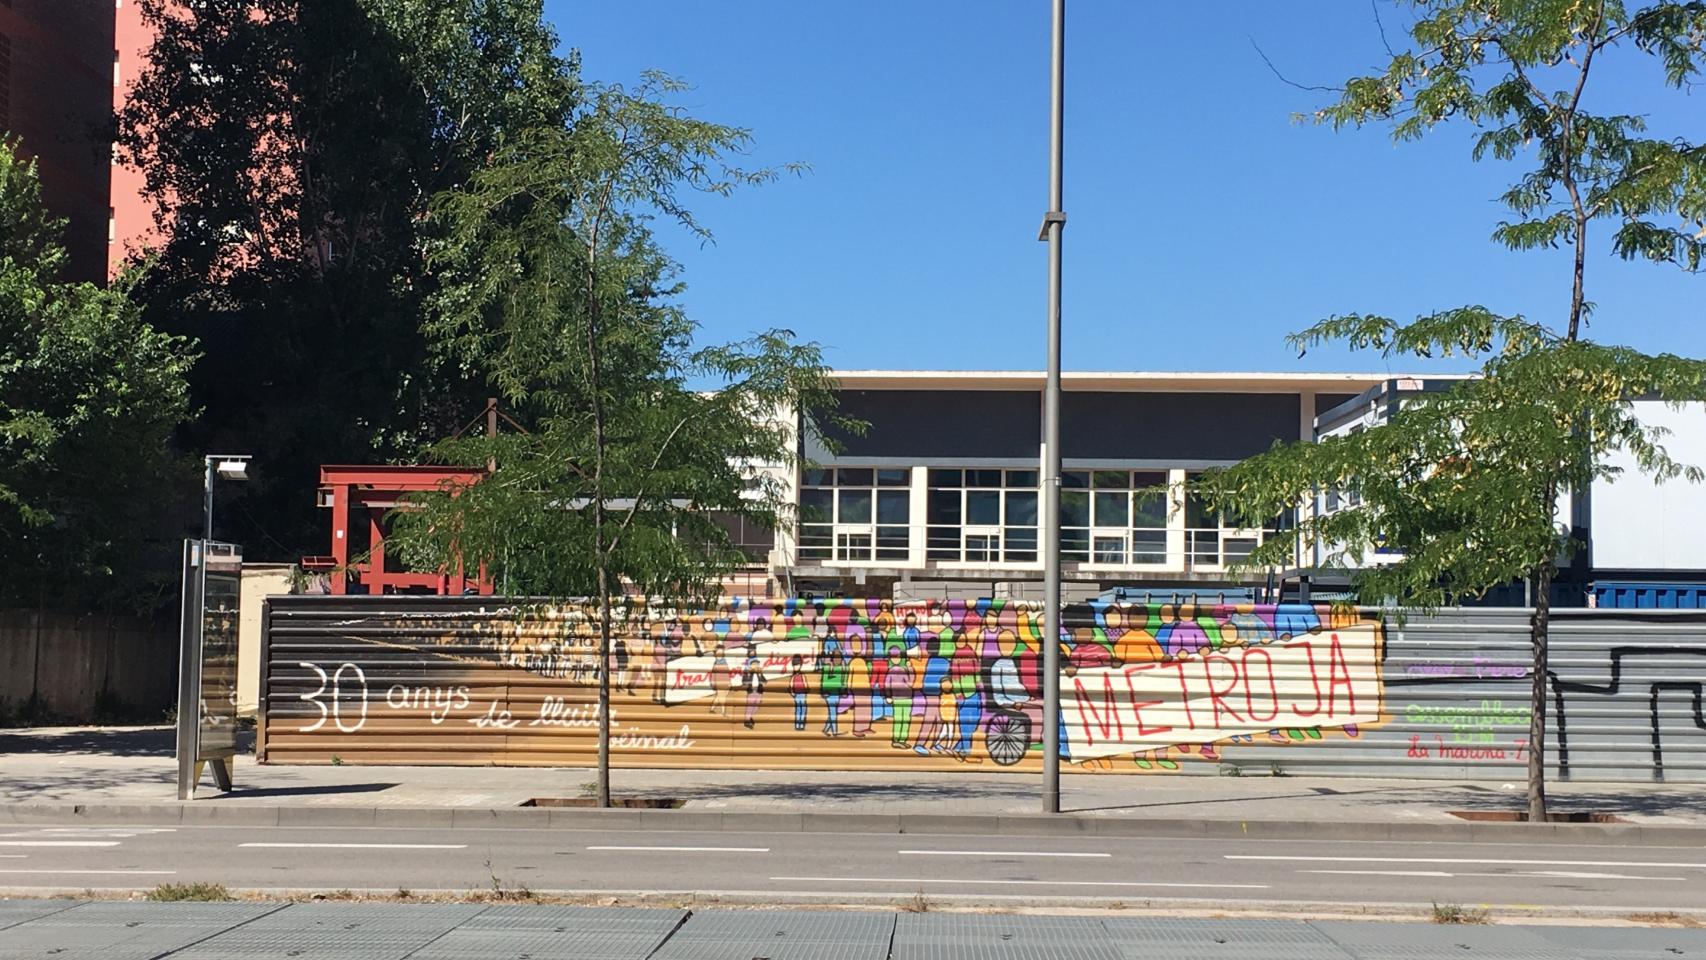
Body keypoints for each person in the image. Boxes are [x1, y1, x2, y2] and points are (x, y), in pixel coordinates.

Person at [885, 650, 913, 748]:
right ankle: (899, 740)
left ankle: (900, 740)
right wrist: (888, 696)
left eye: (897, 657)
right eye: (893, 657)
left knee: (903, 720)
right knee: (901, 720)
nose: (896, 659)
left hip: (903, 698)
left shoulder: (899, 670)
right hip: (902, 698)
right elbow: (910, 683)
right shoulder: (901, 670)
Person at [742, 652, 766, 729]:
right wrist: (749, 675)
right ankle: (747, 721)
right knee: (750, 707)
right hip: (752, 692)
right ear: (750, 665)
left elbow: (764, 682)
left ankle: (750, 717)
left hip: (759, 691)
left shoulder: (760, 673)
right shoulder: (747, 674)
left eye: (757, 664)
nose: (756, 665)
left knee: (756, 706)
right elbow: (744, 682)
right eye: (754, 664)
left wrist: (760, 675)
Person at [709, 644, 730, 716]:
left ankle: (712, 709)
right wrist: (713, 682)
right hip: (719, 683)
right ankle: (723, 712)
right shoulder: (716, 664)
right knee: (722, 697)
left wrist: (729, 681)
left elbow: (727, 672)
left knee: (719, 697)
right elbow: (713, 674)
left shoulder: (724, 662)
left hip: (725, 682)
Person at [789, 654, 808, 730]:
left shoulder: (801, 675)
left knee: (801, 709)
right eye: (795, 665)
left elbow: (805, 683)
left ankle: (800, 725)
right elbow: (791, 685)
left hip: (801, 694)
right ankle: (799, 725)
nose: (796, 667)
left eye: (798, 665)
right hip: (798, 694)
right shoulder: (793, 676)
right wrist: (792, 692)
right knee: (800, 709)